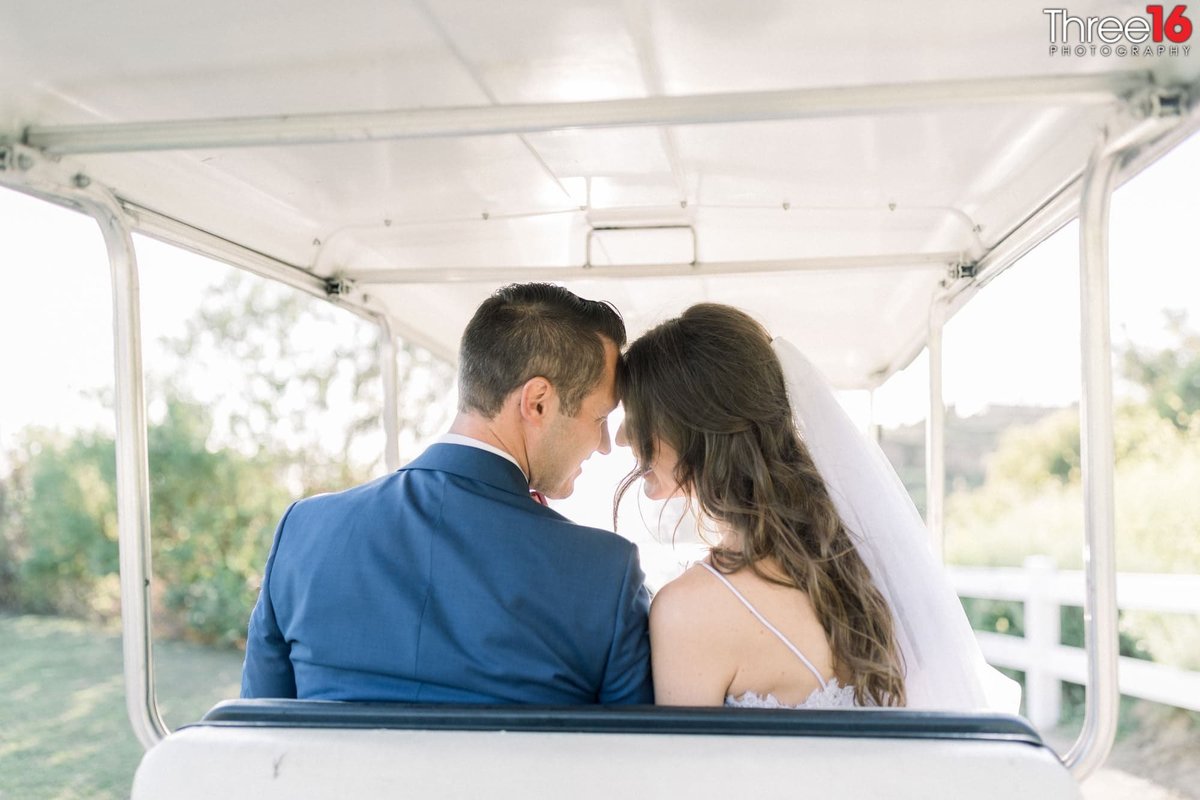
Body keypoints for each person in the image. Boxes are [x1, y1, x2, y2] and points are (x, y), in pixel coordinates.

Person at [241, 283, 654, 705]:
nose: (604, 443)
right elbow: (636, 761)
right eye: (600, 417)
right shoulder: (605, 574)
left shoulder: (303, 531)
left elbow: (253, 733)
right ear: (538, 402)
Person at [616, 303, 1016, 711]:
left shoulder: (689, 612)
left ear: (693, 426)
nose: (620, 439)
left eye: (638, 418)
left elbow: (686, 773)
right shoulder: (856, 564)